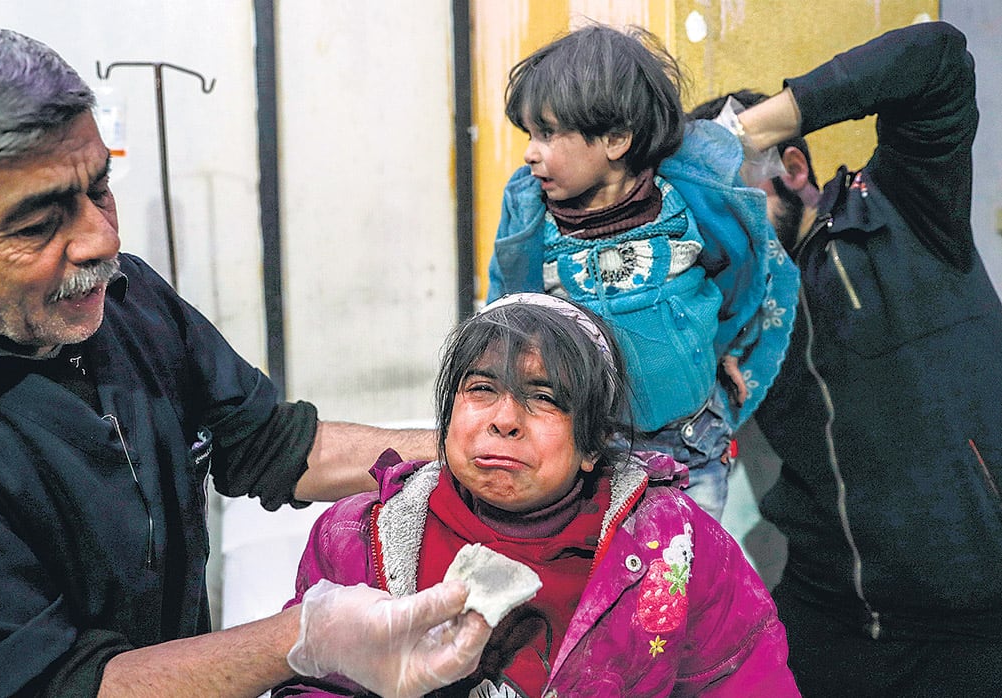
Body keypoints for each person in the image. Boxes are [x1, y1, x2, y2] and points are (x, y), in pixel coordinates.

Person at [0, 21, 494, 697]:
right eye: (35, 221)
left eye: (98, 187)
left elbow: (269, 443)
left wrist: (468, 454)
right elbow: (59, 685)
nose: (98, 240)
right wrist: (304, 638)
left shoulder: (121, 298)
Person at [272, 293, 798, 697]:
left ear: (592, 443)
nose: (504, 420)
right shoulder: (357, 539)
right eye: (480, 390)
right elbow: (314, 684)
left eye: (543, 399)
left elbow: (741, 676)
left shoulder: (676, 547)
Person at [690, 20, 1002, 697]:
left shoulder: (902, 211)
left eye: (728, 195)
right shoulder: (717, 312)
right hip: (828, 617)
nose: (715, 228)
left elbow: (936, 56)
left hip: (977, 621)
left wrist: (742, 132)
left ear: (789, 168)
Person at [485, 22, 798, 521]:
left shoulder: (685, 206)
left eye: (546, 133)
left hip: (694, 450)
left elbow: (743, 275)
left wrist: (737, 347)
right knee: (610, 582)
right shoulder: (532, 222)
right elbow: (507, 315)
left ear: (615, 139)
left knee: (683, 577)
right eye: (529, 134)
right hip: (592, 460)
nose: (530, 152)